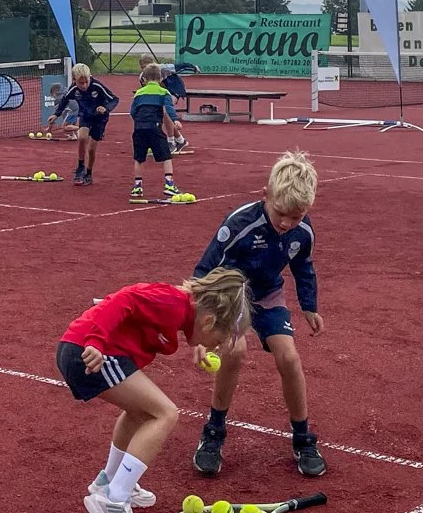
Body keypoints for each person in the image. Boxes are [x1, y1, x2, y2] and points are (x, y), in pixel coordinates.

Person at [56, 267, 250, 513]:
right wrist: (96, 341)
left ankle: (108, 482)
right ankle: (114, 499)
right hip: (91, 352)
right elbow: (122, 301)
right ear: (208, 322)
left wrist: (195, 343)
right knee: (165, 413)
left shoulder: (180, 311)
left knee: (141, 412)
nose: (216, 347)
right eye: (219, 341)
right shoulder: (172, 303)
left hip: (89, 350)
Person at [189, 150, 326, 478]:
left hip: (268, 295)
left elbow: (302, 266)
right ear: (265, 196)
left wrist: (309, 305)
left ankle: (303, 438)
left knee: (289, 359)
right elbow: (205, 270)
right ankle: (214, 432)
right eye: (281, 213)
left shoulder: (302, 231)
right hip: (231, 295)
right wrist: (199, 322)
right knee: (234, 352)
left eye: (296, 216)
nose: (286, 223)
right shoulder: (240, 223)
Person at [47, 64, 120, 185]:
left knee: (91, 149)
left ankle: (89, 173)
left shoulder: (97, 86)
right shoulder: (73, 89)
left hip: (99, 119)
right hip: (85, 116)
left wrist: (106, 108)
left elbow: (115, 99)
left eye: (87, 81)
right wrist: (56, 114)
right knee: (81, 137)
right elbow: (64, 100)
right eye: (81, 83)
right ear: (75, 80)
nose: (84, 85)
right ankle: (80, 167)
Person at [129, 61, 184, 203]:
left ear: (144, 79)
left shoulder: (139, 93)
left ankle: (137, 187)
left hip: (139, 128)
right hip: (154, 127)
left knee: (139, 158)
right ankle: (169, 185)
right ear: (160, 79)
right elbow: (169, 108)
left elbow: (133, 111)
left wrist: (139, 121)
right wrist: (175, 120)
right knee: (166, 156)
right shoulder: (163, 92)